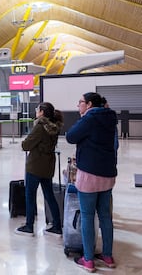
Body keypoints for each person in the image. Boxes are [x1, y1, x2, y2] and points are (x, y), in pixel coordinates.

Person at [66, 92, 117, 272]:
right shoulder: (110, 117)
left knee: (87, 216)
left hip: (89, 174)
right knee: (105, 215)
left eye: (80, 102)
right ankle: (108, 256)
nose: (78, 105)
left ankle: (88, 260)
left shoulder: (89, 118)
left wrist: (82, 119)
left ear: (88, 104)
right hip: (108, 173)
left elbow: (70, 136)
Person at [15, 102, 64, 237]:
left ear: (42, 112)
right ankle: (57, 226)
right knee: (49, 196)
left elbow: (26, 145)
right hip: (47, 166)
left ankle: (29, 226)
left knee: (30, 195)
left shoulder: (40, 127)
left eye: (37, 109)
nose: (36, 111)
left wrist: (25, 142)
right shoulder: (54, 127)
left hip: (35, 166)